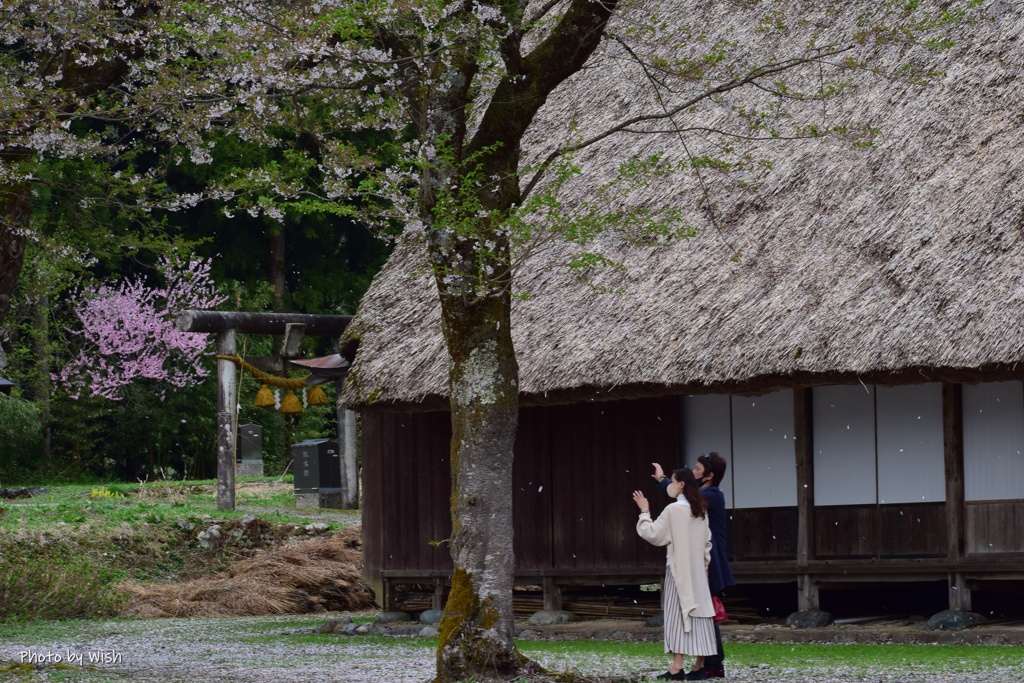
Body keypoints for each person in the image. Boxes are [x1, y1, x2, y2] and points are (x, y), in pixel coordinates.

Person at [653, 454, 735, 679]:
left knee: (706, 614)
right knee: (705, 612)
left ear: (709, 476)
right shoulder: (703, 496)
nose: (694, 473)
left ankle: (712, 664)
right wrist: (663, 479)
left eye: (698, 469)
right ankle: (704, 665)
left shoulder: (707, 496)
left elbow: (681, 494)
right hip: (703, 561)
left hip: (707, 562)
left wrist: (663, 481)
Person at [633, 468, 716, 681]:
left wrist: (644, 511)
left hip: (678, 569)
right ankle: (699, 665)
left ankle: (677, 667)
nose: (670, 485)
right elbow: (707, 543)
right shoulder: (701, 510)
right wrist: (703, 565)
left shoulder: (673, 510)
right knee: (701, 614)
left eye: (673, 481)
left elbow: (652, 533)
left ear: (680, 485)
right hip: (698, 570)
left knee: (676, 615)